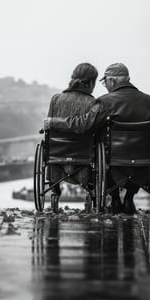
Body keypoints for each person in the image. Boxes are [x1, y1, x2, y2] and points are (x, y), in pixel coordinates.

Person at [46, 63, 150, 214]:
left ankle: (116, 199)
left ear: (112, 81)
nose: (105, 85)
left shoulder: (106, 102)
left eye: (105, 82)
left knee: (102, 148)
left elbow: (85, 124)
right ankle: (129, 197)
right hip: (144, 163)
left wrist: (54, 122)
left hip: (113, 165)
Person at [46, 63, 98, 213]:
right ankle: (90, 193)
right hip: (82, 161)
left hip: (57, 159)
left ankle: (55, 191)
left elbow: (50, 128)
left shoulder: (56, 99)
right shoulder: (93, 103)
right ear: (91, 83)